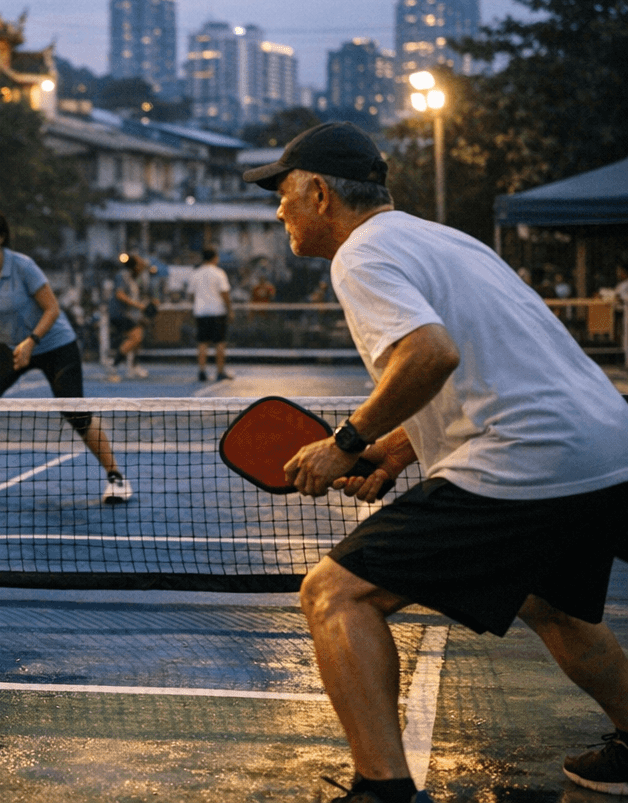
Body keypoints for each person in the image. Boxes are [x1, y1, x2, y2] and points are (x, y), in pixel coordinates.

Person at [242, 122, 628, 803]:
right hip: (601, 447)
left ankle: (382, 791)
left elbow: (430, 355)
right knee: (554, 609)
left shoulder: (358, 256)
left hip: (525, 457)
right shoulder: (443, 238)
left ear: (320, 193)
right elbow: (481, 367)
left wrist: (347, 443)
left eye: (283, 194)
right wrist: (393, 453)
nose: (279, 210)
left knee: (335, 594)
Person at [0, 207, 132, 504]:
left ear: (1, 236)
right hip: (10, 349)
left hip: (54, 344)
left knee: (75, 411)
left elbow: (52, 309)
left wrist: (32, 341)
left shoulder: (24, 266)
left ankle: (116, 477)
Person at [185, 248, 234, 381]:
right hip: (217, 311)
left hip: (201, 312)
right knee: (220, 343)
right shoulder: (219, 273)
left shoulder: (195, 273)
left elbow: (191, 294)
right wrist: (230, 310)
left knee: (202, 343)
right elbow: (225, 293)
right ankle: (220, 371)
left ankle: (202, 371)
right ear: (215, 258)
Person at [108, 253, 152, 380]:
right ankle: (114, 364)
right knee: (136, 337)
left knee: (138, 337)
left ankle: (134, 366)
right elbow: (120, 295)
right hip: (119, 313)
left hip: (129, 314)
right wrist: (139, 306)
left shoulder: (135, 278)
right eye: (139, 264)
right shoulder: (122, 275)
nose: (142, 265)